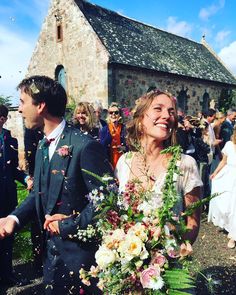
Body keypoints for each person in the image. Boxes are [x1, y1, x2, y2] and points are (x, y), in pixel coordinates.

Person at [0, 76, 113, 295]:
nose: (20, 110)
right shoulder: (43, 144)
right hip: (50, 259)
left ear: (40, 106)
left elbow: (107, 202)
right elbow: (39, 193)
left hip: (80, 263)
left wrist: (67, 225)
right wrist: (13, 219)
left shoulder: (85, 146)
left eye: (23, 102)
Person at [115, 90, 202, 245]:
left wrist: (173, 258)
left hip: (167, 264)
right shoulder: (124, 162)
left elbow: (192, 222)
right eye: (158, 108)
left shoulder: (185, 165)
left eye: (171, 111)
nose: (167, 115)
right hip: (127, 262)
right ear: (140, 118)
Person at [0, 104, 31, 287]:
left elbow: (14, 170)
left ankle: (7, 274)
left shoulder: (10, 140)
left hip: (8, 196)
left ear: (3, 120)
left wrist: (26, 178)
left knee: (7, 237)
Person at [208, 127, 236, 249]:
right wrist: (215, 173)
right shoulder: (229, 145)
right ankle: (229, 225)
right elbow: (223, 161)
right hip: (228, 177)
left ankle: (233, 236)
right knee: (226, 205)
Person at [100, 102, 127, 168]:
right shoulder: (104, 129)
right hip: (110, 160)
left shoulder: (124, 128)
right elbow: (102, 146)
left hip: (122, 160)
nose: (113, 114)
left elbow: (129, 146)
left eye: (116, 112)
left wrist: (124, 148)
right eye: (111, 112)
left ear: (120, 114)